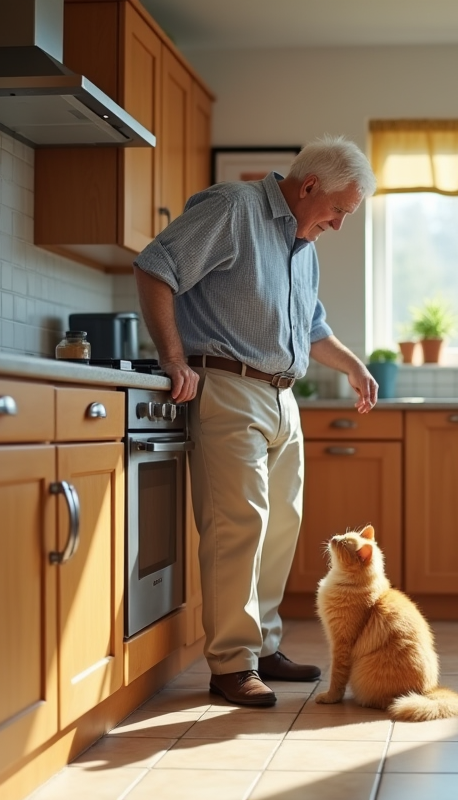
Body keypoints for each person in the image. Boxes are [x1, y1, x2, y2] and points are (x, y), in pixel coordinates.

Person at [133, 135, 379, 707]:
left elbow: (313, 329)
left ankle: (263, 648)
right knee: (236, 526)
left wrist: (354, 366)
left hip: (281, 397)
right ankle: (230, 664)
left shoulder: (304, 245)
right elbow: (155, 268)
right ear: (310, 185)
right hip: (227, 386)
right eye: (340, 210)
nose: (340, 225)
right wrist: (173, 358)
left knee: (278, 529)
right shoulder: (233, 208)